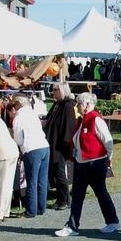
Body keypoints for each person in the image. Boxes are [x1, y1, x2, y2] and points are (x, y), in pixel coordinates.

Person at [55, 92, 121, 236]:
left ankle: (113, 221)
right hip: (80, 163)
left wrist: (108, 159)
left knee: (101, 193)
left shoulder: (95, 119)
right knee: (77, 195)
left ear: (87, 105)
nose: (77, 106)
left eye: (79, 103)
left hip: (95, 163)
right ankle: (72, 226)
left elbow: (108, 141)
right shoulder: (82, 120)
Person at [9, 95, 49, 218]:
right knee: (42, 180)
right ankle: (41, 207)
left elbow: (19, 140)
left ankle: (31, 210)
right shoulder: (32, 113)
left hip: (31, 149)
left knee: (31, 181)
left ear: (16, 105)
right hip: (44, 146)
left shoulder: (19, 117)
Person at [43, 82, 77, 211]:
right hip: (52, 142)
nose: (54, 92)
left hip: (60, 145)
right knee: (55, 172)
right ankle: (59, 198)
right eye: (53, 89)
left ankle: (65, 199)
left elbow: (69, 126)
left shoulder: (67, 105)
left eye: (56, 89)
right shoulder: (57, 104)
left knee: (60, 171)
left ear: (62, 90)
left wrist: (65, 144)